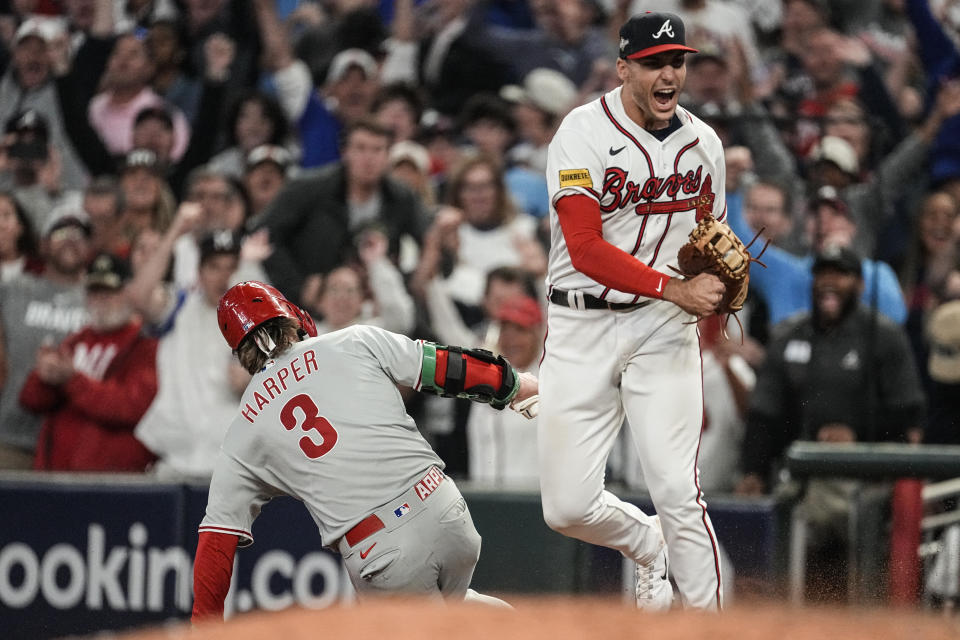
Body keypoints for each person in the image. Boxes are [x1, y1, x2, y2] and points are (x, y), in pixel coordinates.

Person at [191, 281, 538, 620]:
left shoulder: (243, 428)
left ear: (240, 353)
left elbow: (215, 546)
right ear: (292, 318)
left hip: (383, 552)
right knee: (456, 608)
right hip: (446, 509)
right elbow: (442, 365)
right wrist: (514, 385)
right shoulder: (354, 339)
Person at [540, 12, 727, 611]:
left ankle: (708, 624)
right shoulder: (581, 133)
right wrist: (675, 290)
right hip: (580, 323)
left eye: (677, 61)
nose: (669, 73)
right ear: (624, 68)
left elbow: (711, 241)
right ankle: (648, 544)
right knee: (566, 506)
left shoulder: (706, 146)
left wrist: (713, 289)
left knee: (676, 487)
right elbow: (585, 247)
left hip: (662, 331)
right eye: (654, 63)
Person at [736, 244, 925, 601]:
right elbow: (765, 413)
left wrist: (857, 436)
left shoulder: (883, 336)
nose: (829, 282)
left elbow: (908, 419)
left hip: (867, 474)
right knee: (770, 513)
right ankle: (781, 616)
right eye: (823, 273)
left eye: (841, 274)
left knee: (828, 516)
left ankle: (850, 617)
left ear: (858, 284)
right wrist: (753, 471)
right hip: (799, 474)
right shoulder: (791, 335)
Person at [19, 252, 159, 471]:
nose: (101, 300)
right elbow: (31, 400)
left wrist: (72, 380)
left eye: (110, 292)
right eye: (95, 292)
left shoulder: (145, 345)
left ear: (128, 293)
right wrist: (44, 378)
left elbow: (131, 407)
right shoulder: (76, 341)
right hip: (56, 475)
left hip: (113, 482)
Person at [0, 213, 90, 469]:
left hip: (72, 441)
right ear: (43, 244)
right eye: (61, 233)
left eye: (79, 236)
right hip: (10, 436)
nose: (71, 240)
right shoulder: (13, 289)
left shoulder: (101, 298)